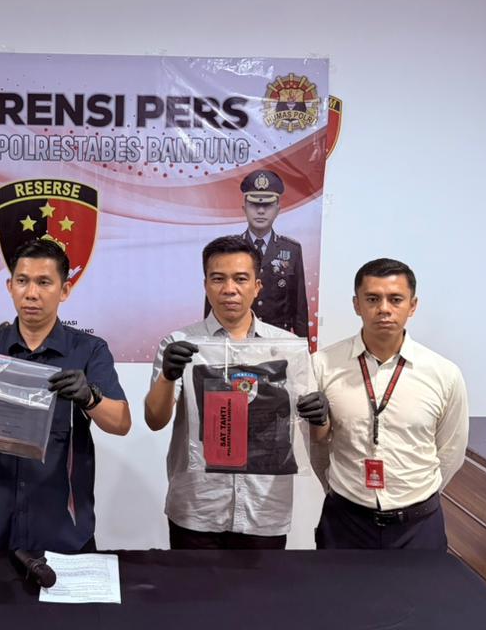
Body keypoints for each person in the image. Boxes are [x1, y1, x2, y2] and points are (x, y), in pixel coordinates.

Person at [0, 239, 131, 553]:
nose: (31, 293)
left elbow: (121, 423)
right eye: (22, 281)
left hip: (63, 530)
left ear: (64, 290)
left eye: (44, 282)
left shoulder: (89, 350)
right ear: (10, 286)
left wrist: (90, 398)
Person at [145, 235, 327, 549]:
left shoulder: (287, 347)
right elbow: (155, 420)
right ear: (205, 285)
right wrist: (167, 376)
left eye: (241, 279)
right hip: (198, 508)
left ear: (257, 286)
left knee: (263, 585)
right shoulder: (179, 344)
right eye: (218, 279)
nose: (229, 289)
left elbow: (318, 436)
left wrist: (320, 416)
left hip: (264, 510)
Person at [309, 258, 468, 550]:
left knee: (421, 585)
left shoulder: (444, 374)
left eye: (396, 299)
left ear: (413, 305)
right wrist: (338, 490)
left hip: (419, 526)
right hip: (346, 523)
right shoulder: (322, 366)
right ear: (357, 305)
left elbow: (451, 451)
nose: (384, 308)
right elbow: (316, 444)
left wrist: (414, 498)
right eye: (372, 299)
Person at [206, 169, 310, 338]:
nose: (261, 211)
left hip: (277, 338)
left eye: (267, 205)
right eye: (254, 205)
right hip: (236, 336)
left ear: (278, 209)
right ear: (244, 208)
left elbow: (299, 307)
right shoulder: (228, 250)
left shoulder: (292, 250)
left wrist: (303, 345)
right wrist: (207, 340)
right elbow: (213, 298)